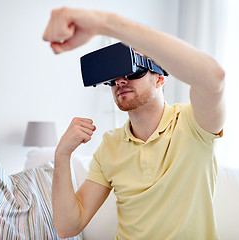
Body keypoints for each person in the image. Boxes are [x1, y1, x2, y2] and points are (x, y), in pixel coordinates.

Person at [43, 7, 225, 240]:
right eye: (113, 76)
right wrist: (61, 155)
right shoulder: (110, 146)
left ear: (160, 78)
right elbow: (67, 226)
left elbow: (214, 77)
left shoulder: (194, 124)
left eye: (133, 69)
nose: (120, 80)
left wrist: (106, 23)